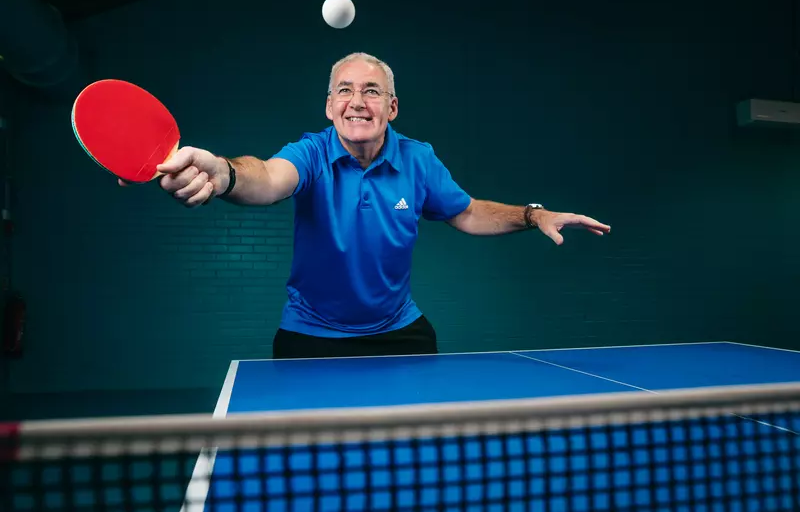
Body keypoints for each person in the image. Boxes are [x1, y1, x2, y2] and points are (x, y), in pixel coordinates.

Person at [122, 52, 611, 359]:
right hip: (309, 336)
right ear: (330, 107)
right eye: (346, 91)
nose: (358, 101)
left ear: (391, 107)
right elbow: (267, 178)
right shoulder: (311, 153)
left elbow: (466, 211)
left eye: (372, 91)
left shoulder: (418, 159)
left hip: (399, 332)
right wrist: (223, 172)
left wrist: (532, 214)